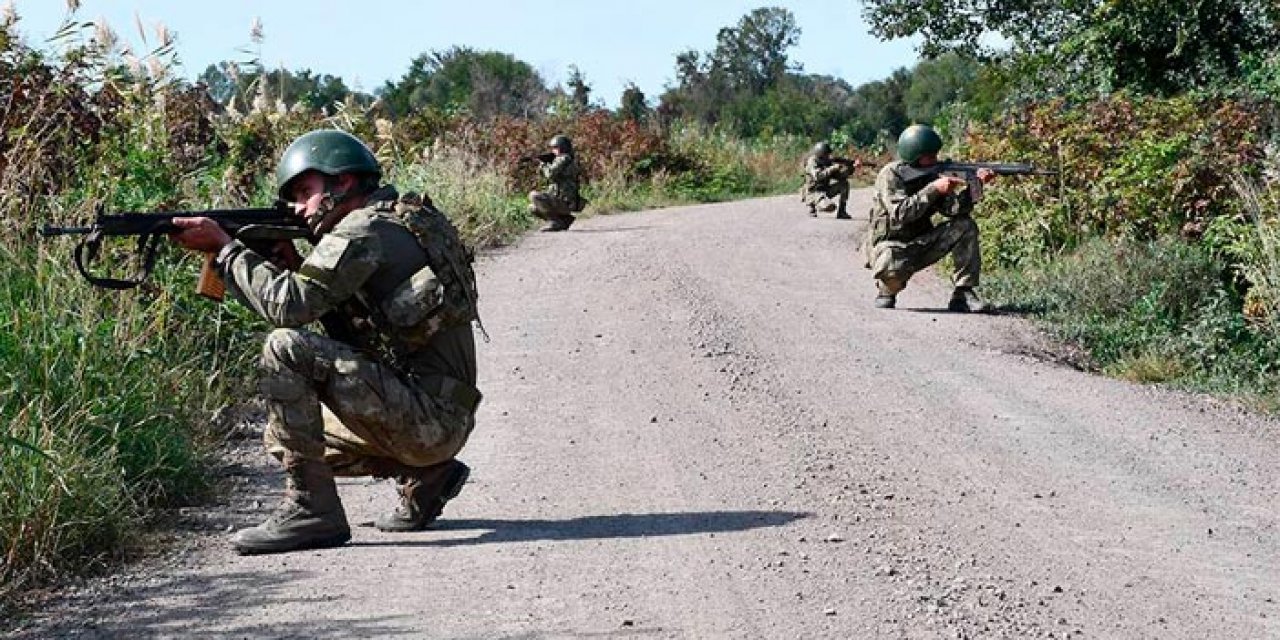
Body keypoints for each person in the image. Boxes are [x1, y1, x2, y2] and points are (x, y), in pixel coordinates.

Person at [170, 129, 483, 555]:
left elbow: (291, 308)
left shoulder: (362, 230)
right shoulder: (397, 219)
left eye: (304, 192)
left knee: (284, 347)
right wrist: (295, 264)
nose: (298, 208)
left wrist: (225, 251)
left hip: (429, 421)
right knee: (281, 435)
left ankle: (312, 512)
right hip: (437, 416)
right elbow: (364, 330)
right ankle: (429, 477)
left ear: (344, 182)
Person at [864, 124, 995, 312]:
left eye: (936, 154)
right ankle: (887, 290)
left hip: (922, 243)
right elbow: (901, 213)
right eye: (930, 156)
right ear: (914, 155)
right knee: (891, 262)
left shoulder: (934, 173)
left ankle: (963, 293)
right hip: (890, 246)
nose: (935, 159)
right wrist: (934, 189)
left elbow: (954, 210)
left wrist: (977, 186)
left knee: (965, 226)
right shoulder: (891, 174)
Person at [528, 134, 583, 232]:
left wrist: (543, 164)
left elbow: (550, 174)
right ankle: (564, 220)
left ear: (562, 148)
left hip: (565, 202)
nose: (553, 150)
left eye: (555, 148)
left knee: (534, 196)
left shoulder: (564, 158)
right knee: (533, 208)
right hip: (564, 201)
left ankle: (555, 222)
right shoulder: (567, 159)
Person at [801, 141, 855, 219]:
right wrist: (833, 168)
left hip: (825, 190)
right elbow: (818, 176)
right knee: (829, 207)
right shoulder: (812, 162)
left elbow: (840, 177)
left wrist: (850, 168)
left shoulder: (827, 162)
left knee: (844, 184)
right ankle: (813, 206)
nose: (828, 157)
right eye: (826, 155)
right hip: (813, 192)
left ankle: (842, 212)